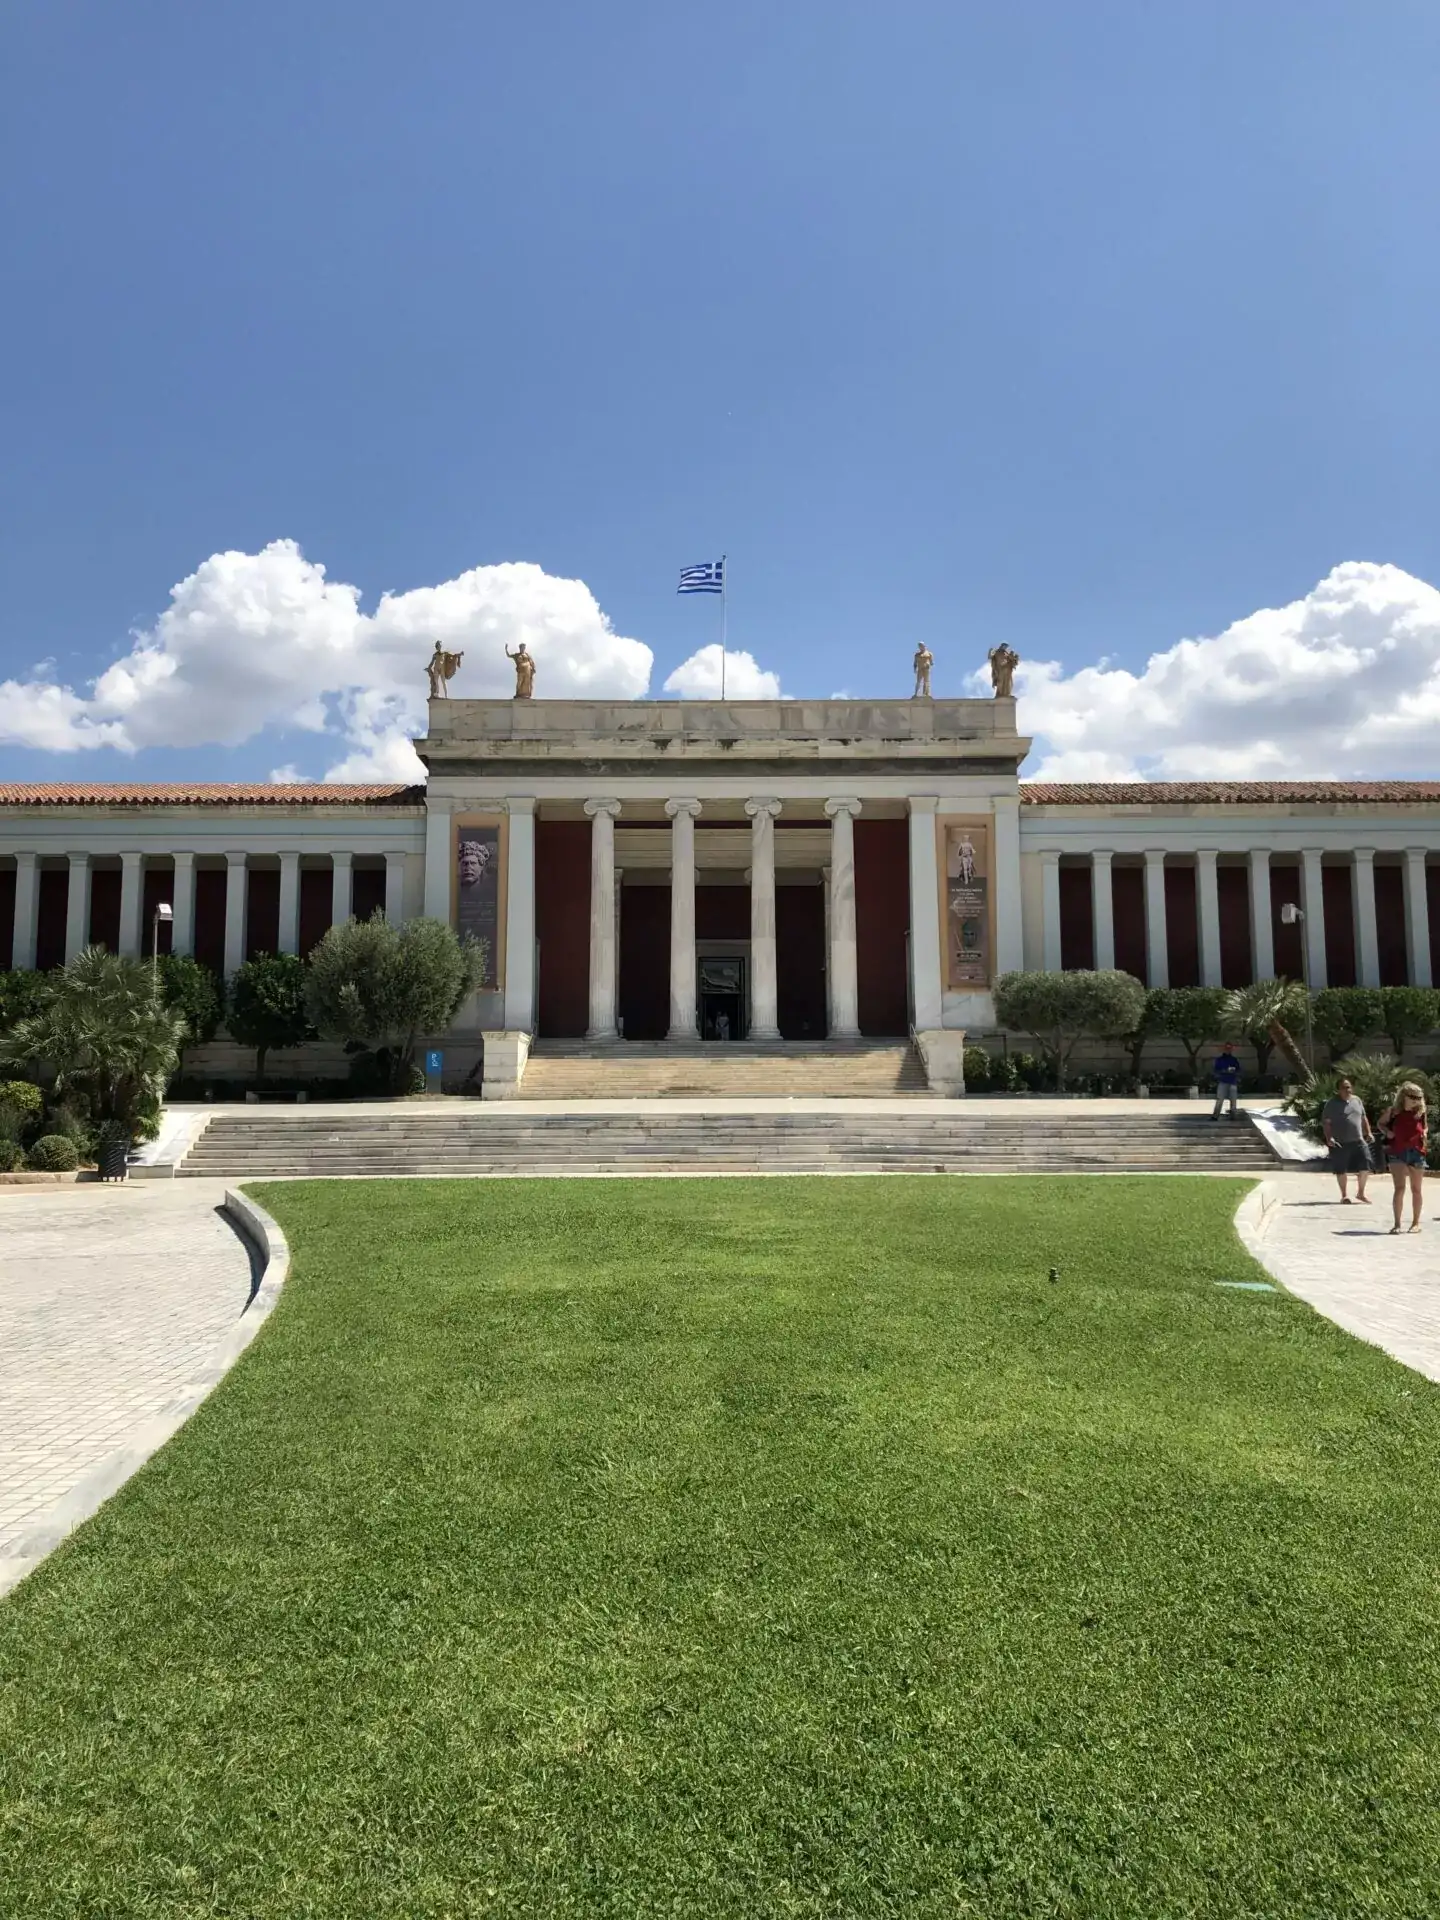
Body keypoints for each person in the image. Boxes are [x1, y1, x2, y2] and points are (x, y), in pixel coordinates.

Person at [1378, 1081, 1428, 1234]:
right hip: (1397, 1151)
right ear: (1403, 1096)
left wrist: (1424, 1133)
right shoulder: (1393, 1111)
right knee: (1399, 1188)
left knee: (1416, 1189)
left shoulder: (1421, 1112)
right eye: (1413, 1097)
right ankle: (1397, 1224)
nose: (1416, 1100)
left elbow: (1425, 1126)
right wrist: (1387, 1132)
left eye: (1419, 1097)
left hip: (1416, 1151)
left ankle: (1415, 1223)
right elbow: (1380, 1124)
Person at [1321, 1076, 1374, 1204]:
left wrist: (1369, 1133)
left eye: (1349, 1087)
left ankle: (1361, 1193)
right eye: (1344, 1088)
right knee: (1341, 1169)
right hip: (1339, 1142)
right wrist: (1329, 1138)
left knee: (1366, 1165)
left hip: (1358, 1140)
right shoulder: (1332, 1104)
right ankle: (1344, 1195)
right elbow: (1327, 1123)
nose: (1347, 1090)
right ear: (1338, 1090)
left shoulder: (1357, 1100)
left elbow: (1363, 1118)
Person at [1210, 1043, 1242, 1119]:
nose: (1228, 1050)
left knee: (1233, 1100)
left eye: (1229, 1048)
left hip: (1232, 1081)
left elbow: (1238, 1070)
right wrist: (1224, 1071)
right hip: (1223, 1081)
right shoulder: (1219, 1060)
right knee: (1220, 1100)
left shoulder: (1234, 1060)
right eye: (1227, 1048)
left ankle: (1233, 1116)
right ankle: (1215, 1116)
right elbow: (1216, 1070)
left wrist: (1234, 1072)